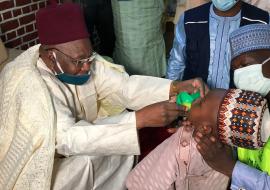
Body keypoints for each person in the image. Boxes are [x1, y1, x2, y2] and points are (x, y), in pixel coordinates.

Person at [0, 2, 208, 190]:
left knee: (120, 143)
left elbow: (124, 87)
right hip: (48, 158)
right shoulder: (31, 85)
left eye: (89, 57)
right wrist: (139, 119)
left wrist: (174, 87)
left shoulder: (84, 59)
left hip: (84, 134)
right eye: (79, 62)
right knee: (82, 165)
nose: (87, 67)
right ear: (51, 57)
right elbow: (67, 138)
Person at [126, 88, 269, 190]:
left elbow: (153, 181)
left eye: (200, 103)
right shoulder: (227, 150)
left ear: (206, 128)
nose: (196, 99)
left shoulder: (186, 146)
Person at [196, 23, 270, 190]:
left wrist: (230, 167)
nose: (238, 75)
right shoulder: (246, 108)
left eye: (244, 65)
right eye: (234, 69)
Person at [166, 0, 269, 89]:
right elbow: (176, 63)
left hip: (240, 105)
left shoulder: (261, 21)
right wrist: (171, 92)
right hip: (196, 102)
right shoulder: (190, 19)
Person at [111, 0, 166, 77]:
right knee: (129, 45)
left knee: (149, 42)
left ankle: (149, 79)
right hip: (126, 10)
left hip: (148, 11)